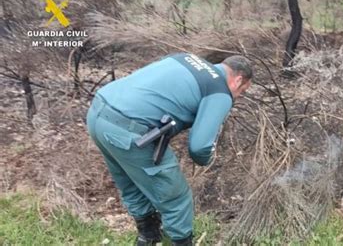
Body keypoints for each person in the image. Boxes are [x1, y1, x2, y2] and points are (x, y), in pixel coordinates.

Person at [86, 53, 252, 246]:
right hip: (129, 132)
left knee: (131, 184)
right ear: (238, 79)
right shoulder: (220, 90)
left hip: (98, 113)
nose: (238, 97)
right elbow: (199, 147)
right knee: (177, 197)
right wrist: (209, 159)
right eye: (243, 91)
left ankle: (148, 237)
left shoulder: (187, 58)